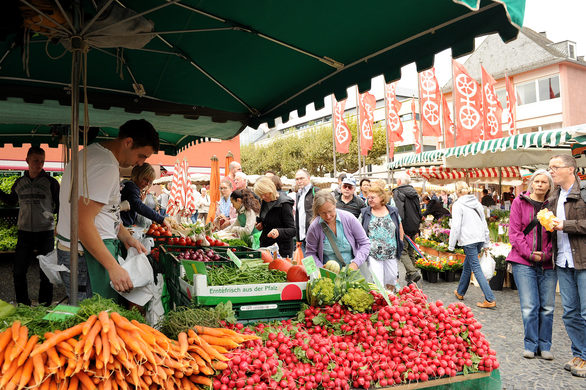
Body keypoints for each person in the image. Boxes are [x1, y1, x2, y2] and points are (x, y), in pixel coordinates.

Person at [57, 119, 158, 302]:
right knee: (92, 321)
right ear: (128, 142)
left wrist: (126, 237)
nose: (141, 163)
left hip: (88, 253)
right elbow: (82, 222)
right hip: (85, 256)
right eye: (142, 155)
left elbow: (105, 212)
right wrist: (113, 267)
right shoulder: (105, 166)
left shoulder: (95, 154)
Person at [506, 169, 556, 360]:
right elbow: (515, 233)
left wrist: (546, 254)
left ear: (549, 186)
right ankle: (530, 344)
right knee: (529, 306)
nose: (540, 185)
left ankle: (545, 345)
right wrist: (529, 254)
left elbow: (556, 234)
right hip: (523, 262)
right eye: (537, 181)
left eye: (544, 182)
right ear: (531, 184)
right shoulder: (519, 202)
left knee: (548, 307)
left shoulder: (554, 205)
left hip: (548, 263)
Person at [0, 146, 59, 306]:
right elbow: (11, 200)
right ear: (27, 161)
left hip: (45, 232)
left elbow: (60, 205)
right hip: (24, 232)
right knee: (18, 271)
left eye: (42, 161)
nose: (39, 164)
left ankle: (45, 304)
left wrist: (58, 224)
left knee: (45, 271)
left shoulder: (51, 182)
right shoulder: (19, 182)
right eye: (35, 161)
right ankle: (23, 304)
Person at [548, 154, 586, 377]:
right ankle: (579, 353)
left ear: (571, 169)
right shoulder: (554, 196)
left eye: (556, 167)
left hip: (582, 260)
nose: (551, 171)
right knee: (570, 313)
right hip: (562, 260)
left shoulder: (582, 193)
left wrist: (565, 224)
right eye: (550, 167)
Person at [449, 181, 495, 308]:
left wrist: (451, 245)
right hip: (479, 238)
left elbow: (456, 226)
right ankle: (460, 292)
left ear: (457, 192)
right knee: (468, 265)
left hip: (468, 240)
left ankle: (490, 299)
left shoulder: (458, 205)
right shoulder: (477, 203)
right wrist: (486, 241)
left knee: (475, 267)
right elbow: (483, 223)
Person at [305, 190, 370, 269]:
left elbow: (365, 243)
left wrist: (355, 263)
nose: (328, 216)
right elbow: (310, 254)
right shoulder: (314, 227)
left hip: (352, 272)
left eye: (330, 211)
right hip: (328, 275)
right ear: (318, 211)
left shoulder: (349, 218)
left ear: (335, 205)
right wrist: (320, 269)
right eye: (323, 213)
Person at [359, 183, 403, 291]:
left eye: (373, 197)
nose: (370, 200)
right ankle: (380, 300)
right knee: (377, 280)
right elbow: (358, 229)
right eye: (368, 198)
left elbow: (400, 227)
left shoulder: (393, 211)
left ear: (382, 197)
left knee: (392, 277)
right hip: (373, 253)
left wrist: (400, 241)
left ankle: (390, 296)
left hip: (391, 252)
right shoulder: (365, 213)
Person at [253, 177, 296, 257]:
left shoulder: (284, 204)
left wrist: (278, 231)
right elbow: (267, 218)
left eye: (264, 194)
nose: (262, 197)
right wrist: (260, 224)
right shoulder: (264, 201)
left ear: (271, 190)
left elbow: (293, 230)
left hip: (282, 249)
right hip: (266, 246)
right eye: (260, 195)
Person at [120, 163, 171, 229]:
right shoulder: (131, 187)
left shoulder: (129, 186)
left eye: (150, 181)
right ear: (137, 175)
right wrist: (161, 219)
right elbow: (138, 205)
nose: (147, 183)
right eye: (145, 179)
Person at [393, 172, 422, 285]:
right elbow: (419, 211)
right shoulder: (414, 192)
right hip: (414, 224)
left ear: (399, 182)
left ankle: (412, 272)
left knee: (402, 250)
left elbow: (399, 211)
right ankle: (411, 278)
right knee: (411, 250)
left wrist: (399, 226)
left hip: (404, 225)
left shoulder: (398, 192)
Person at [295, 169, 319, 252]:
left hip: (314, 236)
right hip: (302, 237)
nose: (299, 181)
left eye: (302, 178)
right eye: (297, 179)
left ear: (308, 178)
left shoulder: (316, 191)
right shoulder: (299, 194)